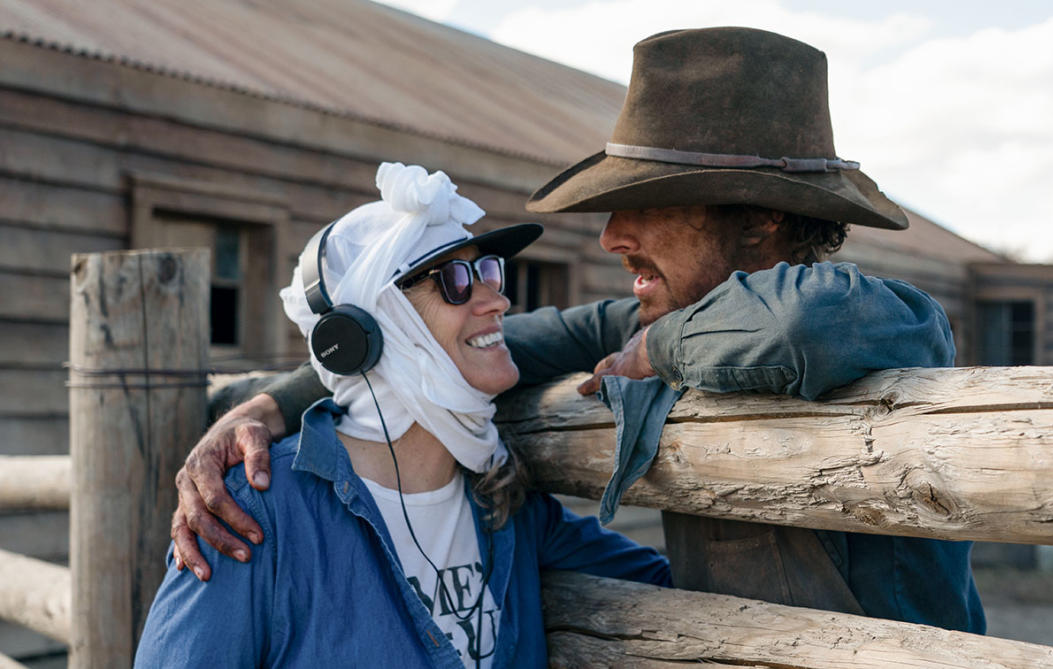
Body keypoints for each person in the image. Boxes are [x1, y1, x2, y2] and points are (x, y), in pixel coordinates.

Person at [171, 27, 985, 633]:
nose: (611, 236)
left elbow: (797, 329)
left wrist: (652, 352)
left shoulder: (876, 316)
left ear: (762, 219)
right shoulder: (651, 316)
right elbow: (461, 346)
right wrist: (268, 409)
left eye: (651, 203)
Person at [135, 163, 670, 668]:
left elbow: (679, 593)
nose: (497, 300)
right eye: (456, 281)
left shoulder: (510, 509)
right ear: (361, 333)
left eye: (488, 272)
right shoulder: (253, 512)